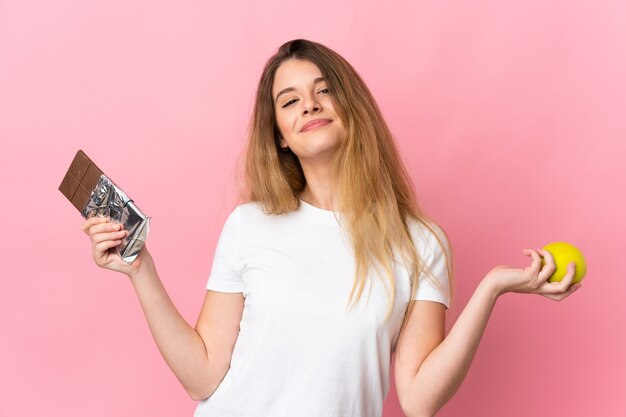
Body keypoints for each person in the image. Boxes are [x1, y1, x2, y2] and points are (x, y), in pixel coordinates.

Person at [81, 39, 582, 417]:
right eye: (290, 100)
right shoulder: (249, 226)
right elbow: (203, 377)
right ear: (278, 135)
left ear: (351, 109)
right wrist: (140, 269)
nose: (310, 105)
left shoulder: (420, 243)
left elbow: (420, 399)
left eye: (324, 90)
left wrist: (492, 288)